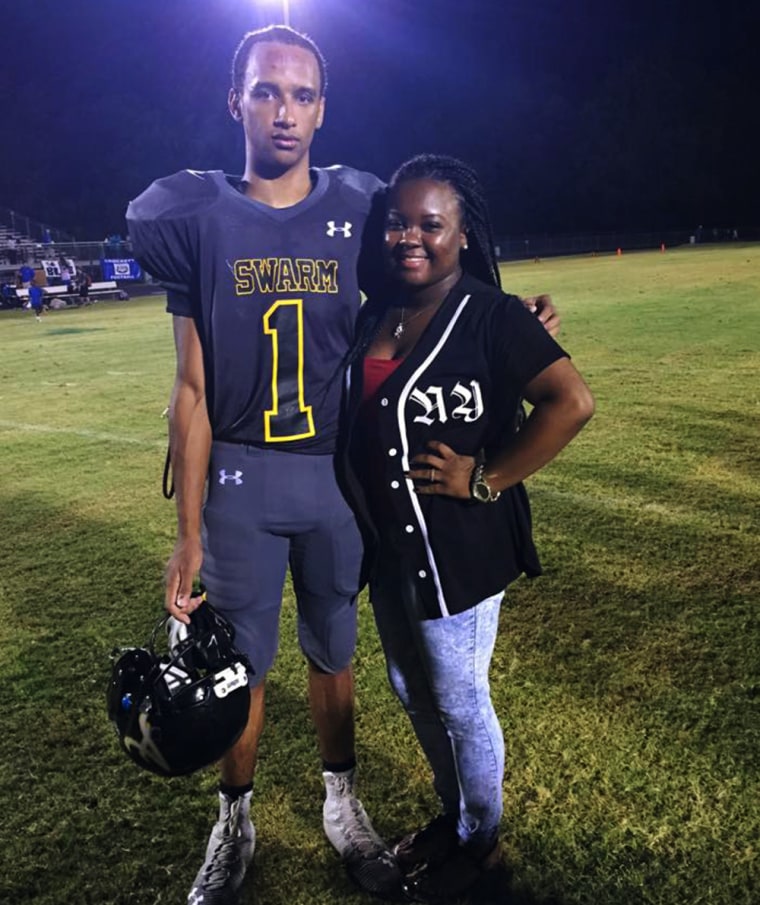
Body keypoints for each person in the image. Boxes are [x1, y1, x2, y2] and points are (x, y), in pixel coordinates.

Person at [127, 25, 559, 905]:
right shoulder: (192, 214)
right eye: (265, 92)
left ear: (324, 107)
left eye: (300, 94)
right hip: (242, 481)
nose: (283, 112)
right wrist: (185, 534)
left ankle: (341, 803)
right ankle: (234, 820)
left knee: (335, 652)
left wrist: (506, 320)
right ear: (235, 100)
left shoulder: (359, 205)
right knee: (234, 667)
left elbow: (426, 271)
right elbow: (192, 388)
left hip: (335, 478)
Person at [336, 154, 595, 904]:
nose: (409, 236)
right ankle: (454, 817)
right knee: (410, 689)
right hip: (389, 551)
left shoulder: (491, 313)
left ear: (461, 234)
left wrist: (486, 475)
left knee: (458, 699)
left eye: (429, 224)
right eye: (397, 221)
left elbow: (570, 402)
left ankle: (479, 837)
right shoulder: (377, 311)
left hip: (460, 552)